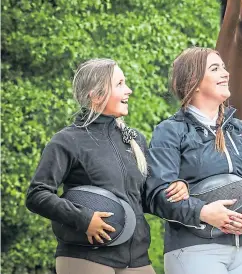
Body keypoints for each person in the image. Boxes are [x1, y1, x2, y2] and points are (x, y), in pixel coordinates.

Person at [25, 58, 188, 274]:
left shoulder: (134, 138)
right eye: (120, 84)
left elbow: (147, 198)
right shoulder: (67, 140)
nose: (128, 90)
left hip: (137, 259)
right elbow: (37, 194)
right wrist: (84, 219)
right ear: (96, 94)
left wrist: (177, 187)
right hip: (85, 257)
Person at [145, 47, 242, 274]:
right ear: (193, 82)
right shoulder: (170, 131)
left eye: (224, 67)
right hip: (194, 249)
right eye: (215, 69)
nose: (226, 73)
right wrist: (203, 212)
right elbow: (156, 194)